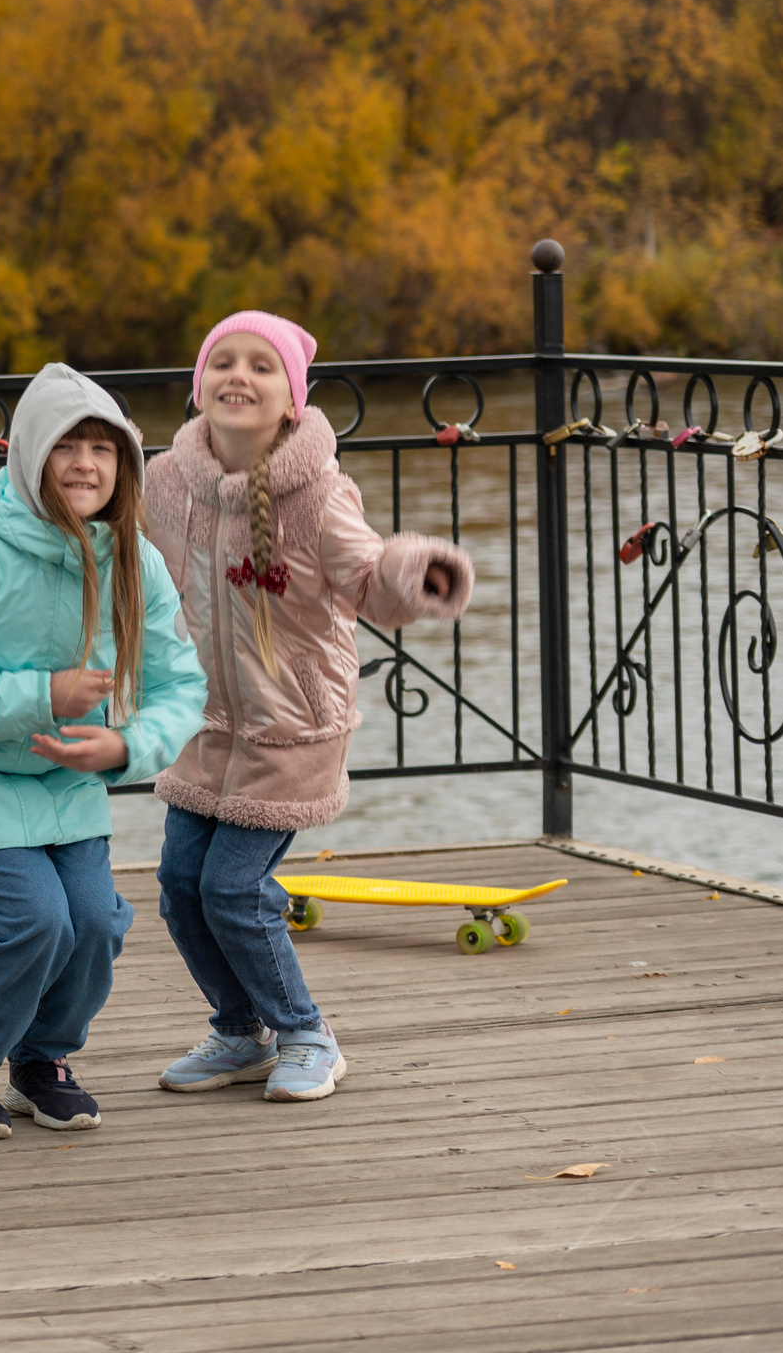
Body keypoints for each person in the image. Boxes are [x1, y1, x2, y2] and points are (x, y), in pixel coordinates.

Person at [144, 312, 474, 1103]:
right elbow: (123, 553)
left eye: (262, 366)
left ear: (290, 401)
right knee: (178, 883)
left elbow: (367, 577)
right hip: (201, 722)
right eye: (223, 360)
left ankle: (306, 1033)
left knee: (233, 888)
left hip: (289, 726)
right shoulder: (166, 483)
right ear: (199, 387)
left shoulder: (316, 496)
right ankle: (237, 1031)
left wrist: (414, 570)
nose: (239, 376)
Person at [0, 365, 207, 1139]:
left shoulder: (136, 561)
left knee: (95, 922)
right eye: (67, 445)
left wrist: (125, 746)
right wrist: (42, 696)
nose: (85, 464)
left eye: (104, 448)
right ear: (30, 455)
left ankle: (41, 1059)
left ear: (125, 465)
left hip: (66, 778)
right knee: (35, 920)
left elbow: (180, 686)